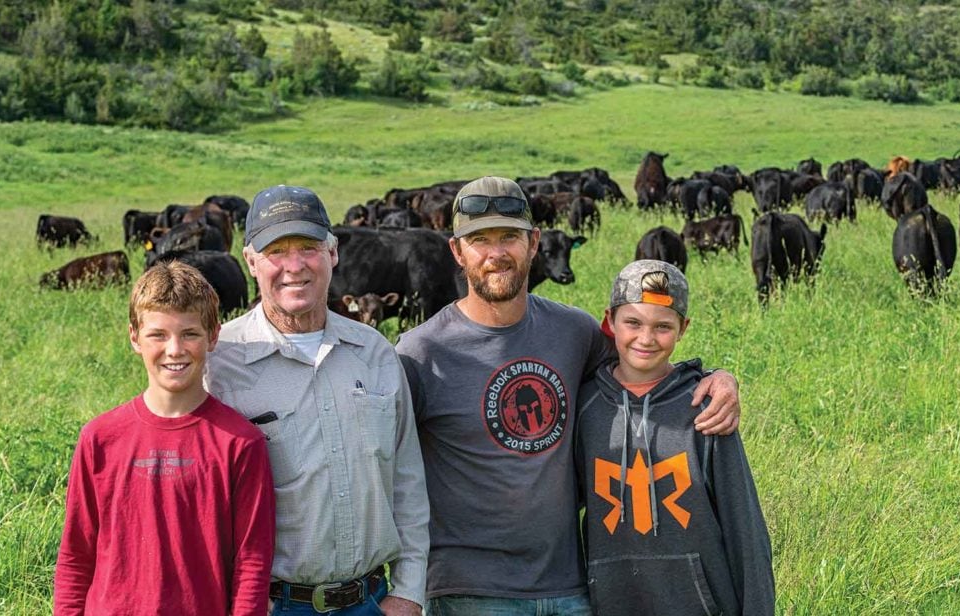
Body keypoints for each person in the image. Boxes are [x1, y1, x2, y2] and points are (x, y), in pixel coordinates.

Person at [396, 177, 742, 615]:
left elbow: (641, 362)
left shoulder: (573, 331)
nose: (496, 253)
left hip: (570, 584)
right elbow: (387, 470)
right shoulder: (420, 352)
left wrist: (714, 377)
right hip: (469, 589)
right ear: (457, 251)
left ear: (535, 243)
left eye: (510, 237)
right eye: (480, 240)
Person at [205, 185, 428, 616]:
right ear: (250, 261)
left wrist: (409, 592)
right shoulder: (219, 363)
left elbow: (408, 481)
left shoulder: (375, 352)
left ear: (333, 253)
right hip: (273, 605)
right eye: (276, 251)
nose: (293, 266)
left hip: (373, 602)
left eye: (308, 248)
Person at [54, 261, 276, 615]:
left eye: (189, 333)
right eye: (158, 334)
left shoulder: (240, 443)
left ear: (213, 336)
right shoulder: (99, 438)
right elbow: (76, 555)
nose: (174, 349)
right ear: (134, 337)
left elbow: (252, 563)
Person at [576, 260, 774, 615]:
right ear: (609, 322)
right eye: (632, 322)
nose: (646, 338)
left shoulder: (707, 408)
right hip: (612, 601)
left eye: (663, 327)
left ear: (683, 328)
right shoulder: (584, 407)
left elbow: (745, 529)